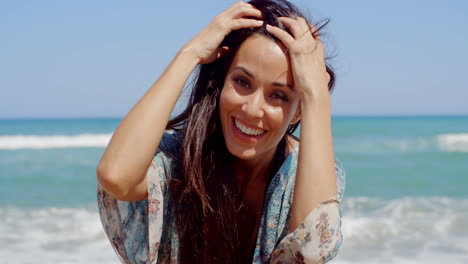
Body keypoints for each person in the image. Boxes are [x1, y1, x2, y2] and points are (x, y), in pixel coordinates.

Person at [96, 0, 346, 263]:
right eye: (241, 82)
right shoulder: (180, 158)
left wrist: (316, 93)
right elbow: (116, 177)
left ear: (298, 111)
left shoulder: (305, 174)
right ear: (221, 82)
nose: (252, 109)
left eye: (278, 95)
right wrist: (190, 53)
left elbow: (314, 249)